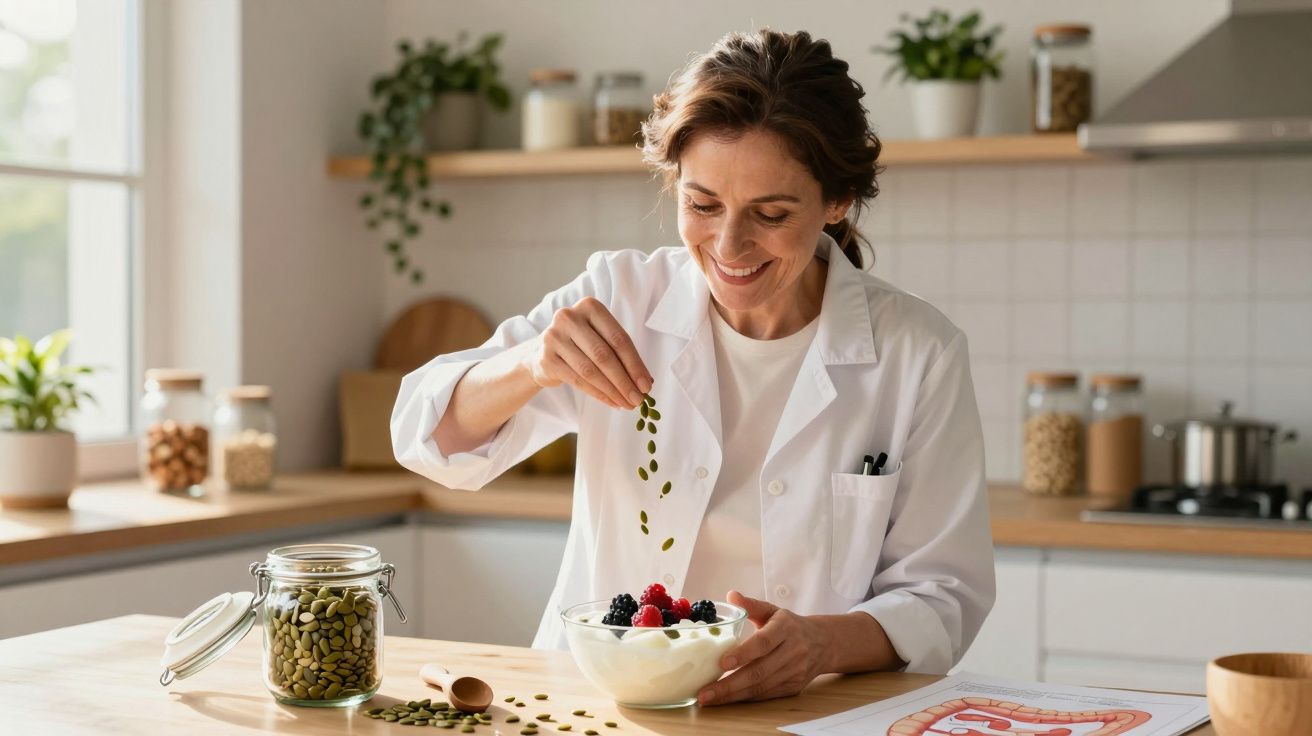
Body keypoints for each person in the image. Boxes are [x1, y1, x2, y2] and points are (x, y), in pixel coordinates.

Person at [392, 28, 994, 706]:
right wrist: (532, 364)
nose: (729, 245)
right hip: (605, 707)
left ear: (837, 202)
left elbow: (945, 594)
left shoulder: (919, 352)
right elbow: (425, 435)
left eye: (771, 213)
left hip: (803, 711)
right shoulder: (620, 298)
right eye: (702, 205)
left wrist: (823, 642)